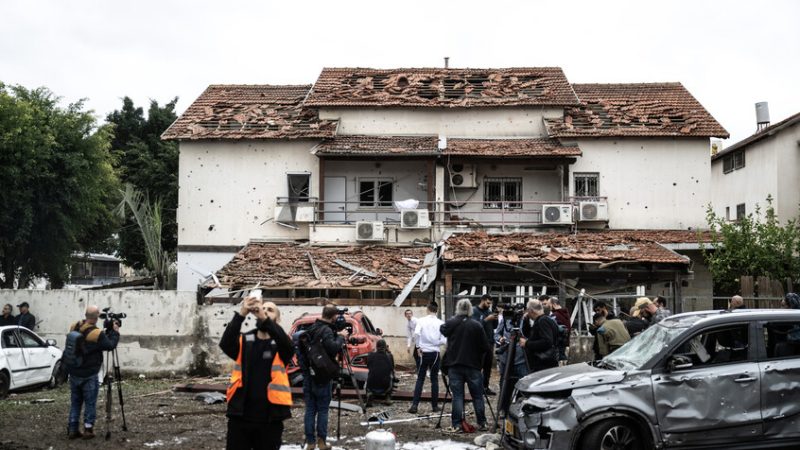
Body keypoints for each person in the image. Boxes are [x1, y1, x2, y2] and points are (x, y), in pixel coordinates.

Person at [219, 292, 293, 450]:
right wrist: (242, 314)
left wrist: (263, 317)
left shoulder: (282, 345)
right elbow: (225, 343)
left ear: (277, 319)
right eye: (263, 308)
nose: (264, 311)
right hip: (241, 417)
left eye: (270, 310)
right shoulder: (244, 340)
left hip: (269, 419)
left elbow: (287, 344)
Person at [66, 305, 120, 440]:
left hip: (74, 371)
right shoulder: (97, 333)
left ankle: (73, 429)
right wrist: (115, 332)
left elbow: (89, 344)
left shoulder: (74, 326)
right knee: (90, 402)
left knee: (76, 401)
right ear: (96, 318)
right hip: (89, 373)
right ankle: (88, 429)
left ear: (85, 315)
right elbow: (109, 345)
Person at [301, 305, 348, 450]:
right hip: (322, 376)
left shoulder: (312, 328)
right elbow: (333, 348)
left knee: (310, 409)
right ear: (333, 316)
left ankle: (310, 443)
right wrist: (341, 337)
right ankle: (321, 442)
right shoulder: (326, 330)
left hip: (309, 374)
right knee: (322, 410)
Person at [440, 299, 489, 433]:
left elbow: (443, 330)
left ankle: (457, 424)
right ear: (470, 310)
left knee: (458, 396)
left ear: (458, 309)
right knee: (477, 396)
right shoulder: (477, 325)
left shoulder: (452, 322)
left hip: (455, 365)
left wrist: (454, 320)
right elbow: (485, 347)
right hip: (473, 365)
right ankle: (482, 422)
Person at [409, 302, 446, 414]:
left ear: (428, 309)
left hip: (423, 352)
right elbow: (444, 340)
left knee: (420, 379)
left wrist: (419, 347)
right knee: (434, 380)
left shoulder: (421, 320)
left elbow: (416, 334)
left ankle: (415, 405)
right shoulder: (441, 323)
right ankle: (434, 406)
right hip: (435, 353)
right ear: (437, 310)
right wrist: (435, 343)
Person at [493, 304, 527, 392]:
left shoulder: (526, 321)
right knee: (504, 382)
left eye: (521, 311)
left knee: (523, 382)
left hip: (521, 358)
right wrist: (500, 339)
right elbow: (496, 334)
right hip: (506, 357)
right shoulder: (506, 320)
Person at [520, 299, 559, 373]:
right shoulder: (543, 320)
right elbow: (531, 335)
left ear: (531, 311)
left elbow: (547, 342)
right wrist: (526, 320)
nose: (527, 313)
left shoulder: (543, 321)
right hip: (545, 363)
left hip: (544, 364)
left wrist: (526, 343)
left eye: (527, 311)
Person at [472, 294, 498, 395]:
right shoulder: (474, 311)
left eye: (490, 304)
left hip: (490, 343)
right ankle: (476, 388)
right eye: (487, 303)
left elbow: (494, 326)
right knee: (478, 367)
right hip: (479, 344)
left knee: (488, 367)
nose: (489, 305)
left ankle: (485, 387)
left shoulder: (489, 311)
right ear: (482, 300)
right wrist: (487, 319)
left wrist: (495, 318)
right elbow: (475, 326)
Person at [365, 339, 395, 407]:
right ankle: (388, 398)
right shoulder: (389, 356)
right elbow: (392, 368)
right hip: (385, 386)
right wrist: (389, 352)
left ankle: (369, 394)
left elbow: (368, 366)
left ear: (376, 347)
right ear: (385, 347)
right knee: (392, 375)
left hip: (371, 385)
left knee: (369, 375)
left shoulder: (370, 355)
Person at [542, 296, 571, 364]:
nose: (548, 307)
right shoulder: (566, 313)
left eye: (549, 305)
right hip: (566, 344)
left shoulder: (555, 315)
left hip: (558, 347)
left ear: (554, 304)